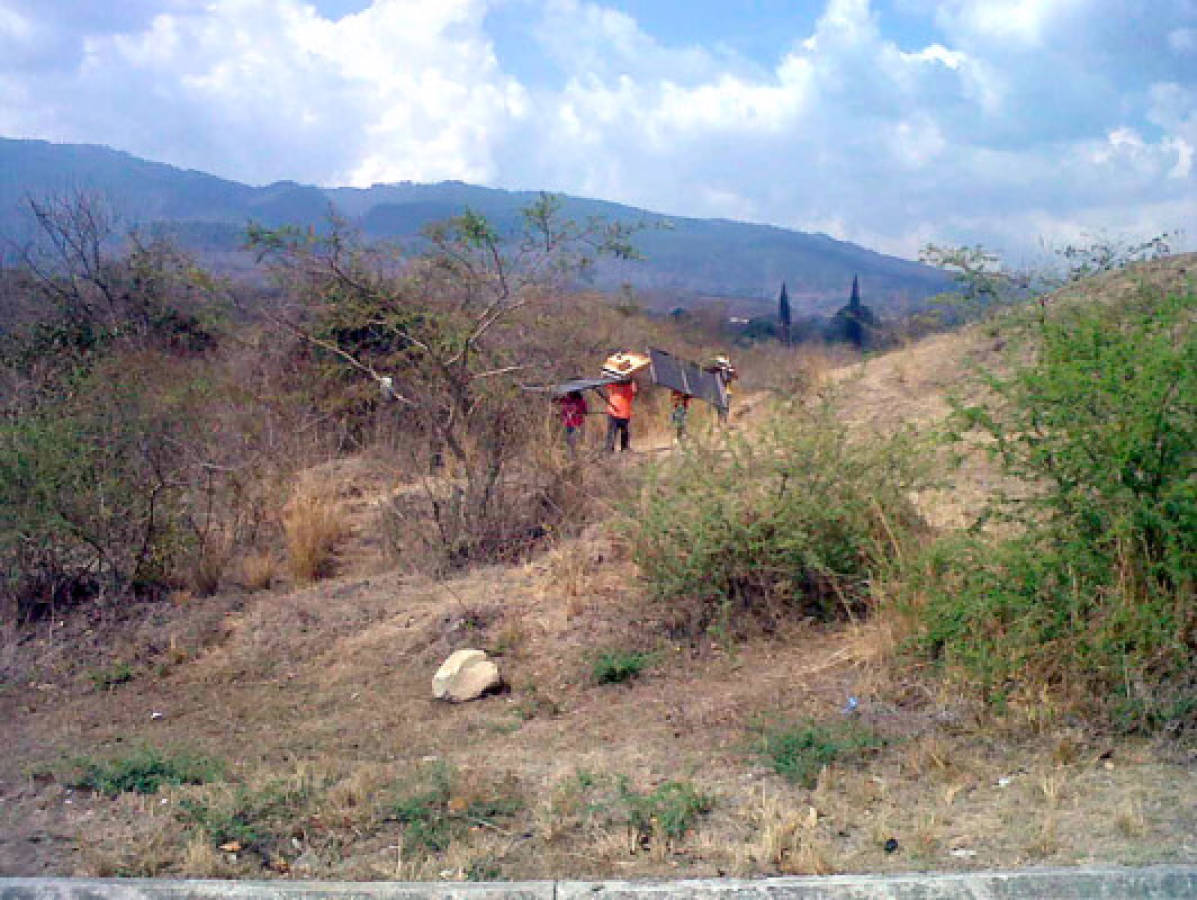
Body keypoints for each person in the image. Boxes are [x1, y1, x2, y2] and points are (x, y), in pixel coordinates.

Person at [603, 377, 638, 452]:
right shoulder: (613, 385)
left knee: (624, 433)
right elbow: (604, 382)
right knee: (612, 432)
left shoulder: (629, 387)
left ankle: (624, 448)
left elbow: (635, 391)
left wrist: (632, 379)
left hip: (624, 414)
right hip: (613, 413)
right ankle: (609, 450)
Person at [557, 390, 588, 454]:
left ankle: (572, 453)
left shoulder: (581, 401)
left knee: (572, 439)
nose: (567, 394)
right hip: (568, 423)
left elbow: (585, 412)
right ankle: (570, 453)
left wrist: (577, 413)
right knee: (568, 439)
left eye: (569, 393)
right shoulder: (566, 400)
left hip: (577, 424)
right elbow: (557, 401)